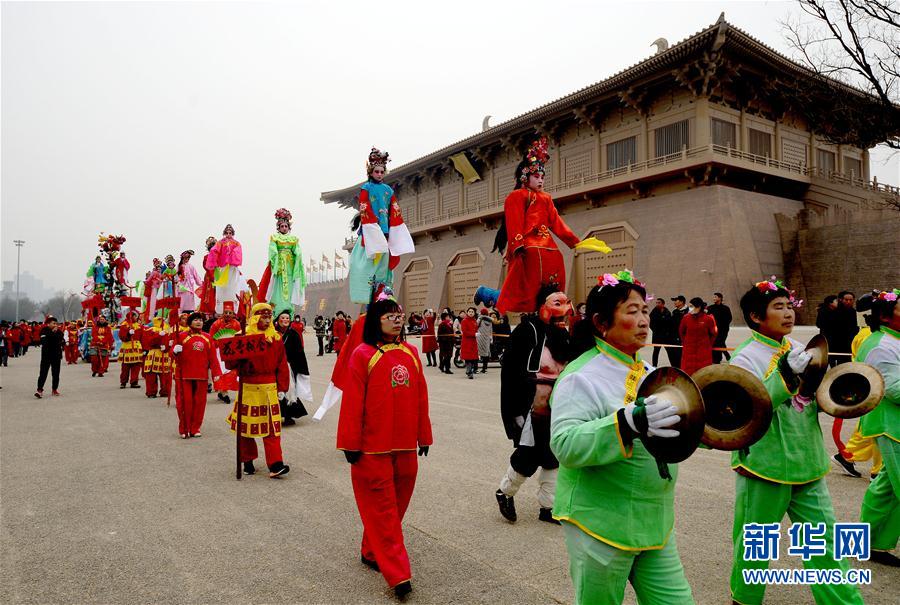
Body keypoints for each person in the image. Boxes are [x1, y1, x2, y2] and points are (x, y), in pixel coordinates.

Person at [549, 270, 694, 605]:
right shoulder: (581, 377)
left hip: (654, 522)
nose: (644, 320)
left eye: (644, 310)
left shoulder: (650, 373)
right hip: (600, 525)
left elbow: (676, 430)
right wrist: (625, 424)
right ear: (601, 322)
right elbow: (565, 444)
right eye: (632, 312)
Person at [728, 278, 863, 605]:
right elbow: (748, 410)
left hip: (808, 462)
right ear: (756, 317)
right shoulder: (745, 358)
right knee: (756, 545)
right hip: (765, 466)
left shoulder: (798, 350)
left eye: (790, 306)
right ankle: (744, 599)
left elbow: (815, 400)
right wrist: (786, 376)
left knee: (827, 541)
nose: (788, 313)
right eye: (779, 307)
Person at [336, 296, 432, 600]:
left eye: (399, 314)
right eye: (390, 315)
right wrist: (350, 444)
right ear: (375, 320)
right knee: (384, 511)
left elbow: (421, 398)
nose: (397, 319)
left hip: (404, 447)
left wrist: (424, 436)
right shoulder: (362, 355)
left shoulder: (411, 352)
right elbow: (352, 403)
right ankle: (398, 574)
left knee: (394, 507)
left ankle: (370, 550)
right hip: (372, 450)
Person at [495, 284, 575, 525]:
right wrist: (513, 412)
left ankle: (548, 507)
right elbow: (509, 374)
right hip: (531, 408)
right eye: (556, 304)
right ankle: (505, 492)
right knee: (528, 455)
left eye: (566, 303)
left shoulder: (564, 335)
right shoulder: (526, 332)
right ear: (542, 308)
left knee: (554, 455)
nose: (564, 310)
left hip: (558, 409)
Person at [494, 137, 581, 314]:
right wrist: (516, 245)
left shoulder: (546, 198)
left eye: (542, 177)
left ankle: (550, 305)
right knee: (525, 288)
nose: (540, 180)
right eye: (536, 176)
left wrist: (574, 242)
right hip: (528, 246)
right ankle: (521, 306)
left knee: (556, 270)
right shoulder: (517, 196)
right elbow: (514, 222)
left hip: (548, 245)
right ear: (525, 176)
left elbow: (556, 222)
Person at [854, 288, 899, 566]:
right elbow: (893, 388)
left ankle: (869, 544)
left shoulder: (893, 340)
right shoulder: (880, 345)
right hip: (890, 424)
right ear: (885, 316)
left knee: (886, 487)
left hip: (894, 424)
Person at [226, 303, 291, 478]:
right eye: (263, 316)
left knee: (272, 428)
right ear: (255, 317)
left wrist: (282, 387)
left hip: (269, 386)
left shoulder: (275, 338)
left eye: (269, 316)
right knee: (246, 428)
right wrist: (238, 350)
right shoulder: (243, 336)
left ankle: (276, 463)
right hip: (248, 385)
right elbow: (229, 363)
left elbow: (282, 364)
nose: (267, 319)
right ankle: (247, 460)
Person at [348, 147, 415, 304]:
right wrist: (373, 226)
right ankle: (367, 295)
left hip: (385, 232)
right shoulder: (366, 188)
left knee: (385, 266)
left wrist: (395, 227)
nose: (379, 174)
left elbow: (395, 209)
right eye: (376, 171)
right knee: (365, 265)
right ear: (371, 172)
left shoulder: (388, 190)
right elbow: (364, 206)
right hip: (371, 231)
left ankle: (382, 292)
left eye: (381, 171)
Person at [171, 312, 221, 438]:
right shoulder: (181, 336)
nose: (199, 322)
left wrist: (216, 373)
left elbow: (213, 358)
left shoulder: (207, 337)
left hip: (201, 375)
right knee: (184, 402)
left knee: (200, 403)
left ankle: (195, 428)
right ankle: (184, 428)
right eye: (196, 320)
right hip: (184, 375)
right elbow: (172, 355)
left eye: (201, 320)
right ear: (190, 322)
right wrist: (175, 351)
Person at [259, 208, 307, 312]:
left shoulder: (293, 239)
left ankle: (289, 309)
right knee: (277, 286)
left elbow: (297, 250)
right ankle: (277, 309)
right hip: (279, 266)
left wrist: (298, 255)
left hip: (290, 266)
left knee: (290, 285)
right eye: (282, 226)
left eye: (286, 226)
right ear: (278, 228)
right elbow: (272, 249)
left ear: (289, 227)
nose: (284, 228)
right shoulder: (275, 237)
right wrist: (277, 258)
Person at [276, 309, 312, 424]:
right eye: (283, 318)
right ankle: (275, 415)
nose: (285, 320)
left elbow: (299, 352)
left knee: (289, 390)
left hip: (288, 366)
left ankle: (288, 416)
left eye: (287, 318)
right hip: (274, 366)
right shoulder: (272, 333)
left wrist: (301, 368)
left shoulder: (293, 334)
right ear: (278, 319)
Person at [209, 302, 242, 403]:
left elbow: (239, 337)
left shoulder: (237, 324)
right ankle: (223, 391)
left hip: (232, 351)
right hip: (219, 351)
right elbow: (211, 337)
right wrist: (217, 343)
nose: (227, 314)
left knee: (231, 371)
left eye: (230, 312)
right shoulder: (216, 323)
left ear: (233, 314)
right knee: (221, 371)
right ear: (222, 313)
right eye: (225, 312)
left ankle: (224, 390)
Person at [208, 224, 244, 314]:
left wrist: (232, 259)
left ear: (233, 234)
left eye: (230, 233)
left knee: (233, 286)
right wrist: (215, 262)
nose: (228, 235)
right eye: (227, 233)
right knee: (222, 288)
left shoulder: (236, 243)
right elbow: (214, 251)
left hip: (232, 267)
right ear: (224, 233)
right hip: (222, 268)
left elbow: (238, 252)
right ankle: (220, 310)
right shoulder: (220, 242)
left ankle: (233, 309)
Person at [678, 297, 717, 376]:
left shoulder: (708, 319)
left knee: (703, 375)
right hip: (688, 352)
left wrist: (709, 345)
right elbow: (681, 331)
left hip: (704, 353)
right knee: (688, 376)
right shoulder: (686, 318)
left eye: (691, 306)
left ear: (698, 307)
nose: (690, 308)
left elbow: (713, 333)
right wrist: (685, 342)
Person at [141, 317, 172, 399]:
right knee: (151, 375)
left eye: (161, 320)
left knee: (165, 375)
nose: (161, 321)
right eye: (158, 320)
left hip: (164, 353)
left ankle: (165, 391)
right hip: (154, 353)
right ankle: (151, 392)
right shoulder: (150, 330)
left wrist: (167, 346)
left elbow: (170, 340)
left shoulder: (167, 330)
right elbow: (148, 342)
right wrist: (158, 335)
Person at [34, 316, 64, 398]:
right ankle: (39, 389)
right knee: (43, 373)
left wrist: (55, 334)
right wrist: (53, 334)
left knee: (56, 374)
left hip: (57, 355)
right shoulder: (44, 331)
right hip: (46, 355)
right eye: (53, 323)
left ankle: (54, 389)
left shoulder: (59, 332)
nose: (55, 325)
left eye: (56, 323)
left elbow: (60, 340)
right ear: (48, 324)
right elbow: (45, 342)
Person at [830, 290, 858, 365]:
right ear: (841, 300)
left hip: (851, 342)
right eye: (846, 300)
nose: (848, 302)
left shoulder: (856, 313)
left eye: (850, 300)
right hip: (839, 343)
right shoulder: (835, 313)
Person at [117, 310, 143, 389]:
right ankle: (123, 382)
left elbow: (142, 337)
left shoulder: (139, 325)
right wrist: (128, 333)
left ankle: (134, 382)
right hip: (127, 347)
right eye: (134, 316)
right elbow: (121, 336)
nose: (136, 317)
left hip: (137, 347)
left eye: (136, 316)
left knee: (136, 366)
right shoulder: (124, 325)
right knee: (125, 367)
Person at [707, 291, 732, 363]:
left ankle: (726, 357)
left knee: (720, 342)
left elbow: (729, 318)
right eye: (713, 297)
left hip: (723, 330)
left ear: (720, 298)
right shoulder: (710, 308)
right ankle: (719, 358)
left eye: (715, 297)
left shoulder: (725, 308)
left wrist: (723, 326)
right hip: (713, 330)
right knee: (716, 343)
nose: (714, 298)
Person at [649, 298, 673, 367]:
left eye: (659, 302)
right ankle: (654, 366)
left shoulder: (667, 312)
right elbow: (650, 323)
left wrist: (667, 332)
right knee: (656, 351)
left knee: (669, 351)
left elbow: (670, 323)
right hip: (657, 336)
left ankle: (673, 365)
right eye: (656, 302)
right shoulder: (654, 312)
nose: (657, 304)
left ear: (663, 304)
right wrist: (655, 330)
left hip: (666, 336)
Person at [198, 237, 218, 315]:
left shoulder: (219, 256)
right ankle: (209, 312)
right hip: (210, 278)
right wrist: (214, 279)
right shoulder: (207, 257)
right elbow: (208, 268)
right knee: (210, 295)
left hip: (219, 277)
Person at [668, 295, 688, 368]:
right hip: (673, 339)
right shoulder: (675, 311)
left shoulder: (688, 312)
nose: (674, 302)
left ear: (682, 302)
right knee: (674, 359)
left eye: (676, 301)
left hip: (683, 339)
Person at [460, 307, 479, 379]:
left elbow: (476, 329)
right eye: (469, 311)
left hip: (473, 342)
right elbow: (465, 332)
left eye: (472, 312)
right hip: (467, 342)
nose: (471, 313)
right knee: (468, 358)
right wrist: (474, 334)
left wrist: (477, 333)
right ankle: (469, 372)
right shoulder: (464, 321)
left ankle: (469, 370)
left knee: (473, 358)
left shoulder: (474, 321)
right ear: (467, 312)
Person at [476, 308, 493, 373]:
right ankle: (484, 368)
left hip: (480, 337)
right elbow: (491, 329)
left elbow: (476, 325)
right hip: (487, 338)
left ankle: (476, 368)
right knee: (486, 353)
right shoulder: (490, 320)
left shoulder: (480, 319)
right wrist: (491, 338)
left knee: (478, 353)